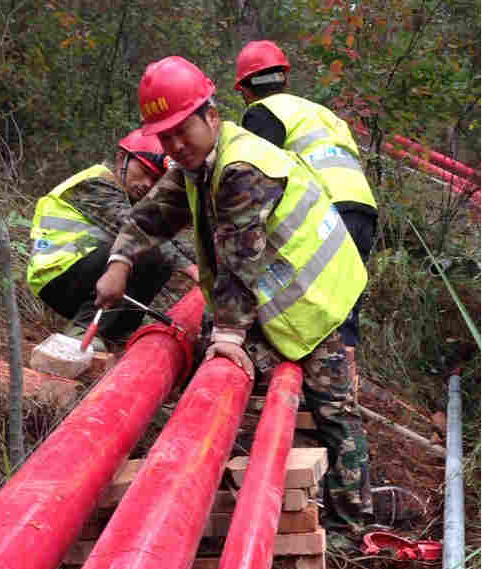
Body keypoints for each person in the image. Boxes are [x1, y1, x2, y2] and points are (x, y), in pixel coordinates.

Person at [95, 56, 373, 530]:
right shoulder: (195, 164)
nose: (176, 145)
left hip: (317, 297)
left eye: (184, 130)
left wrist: (228, 338)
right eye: (166, 137)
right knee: (235, 363)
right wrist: (119, 261)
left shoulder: (243, 167)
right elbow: (152, 214)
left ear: (211, 115)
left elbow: (240, 263)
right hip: (281, 295)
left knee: (332, 408)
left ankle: (353, 523)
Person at [234, 40, 378, 386]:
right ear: (284, 76)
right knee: (342, 300)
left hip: (323, 211)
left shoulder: (263, 112)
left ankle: (286, 384)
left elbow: (256, 177)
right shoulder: (321, 113)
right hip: (362, 209)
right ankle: (345, 390)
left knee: (293, 294)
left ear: (244, 90)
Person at [26, 128, 194, 351]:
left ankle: (116, 334)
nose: (147, 184)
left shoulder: (129, 196)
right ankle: (82, 332)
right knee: (143, 250)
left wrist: (204, 264)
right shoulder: (95, 184)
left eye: (156, 180)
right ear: (121, 158)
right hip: (57, 275)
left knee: (158, 258)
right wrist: (192, 270)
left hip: (81, 274)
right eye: (144, 171)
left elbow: (167, 236)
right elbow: (138, 232)